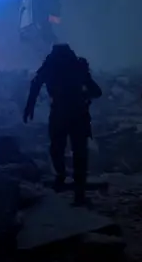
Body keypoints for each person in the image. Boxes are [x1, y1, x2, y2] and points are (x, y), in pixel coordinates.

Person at [23, 44, 102, 205]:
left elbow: (36, 84)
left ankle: (62, 177)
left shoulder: (51, 65)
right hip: (78, 113)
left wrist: (30, 106)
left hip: (60, 113)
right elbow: (96, 91)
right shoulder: (75, 65)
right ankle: (78, 192)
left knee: (58, 148)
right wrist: (84, 95)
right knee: (79, 153)